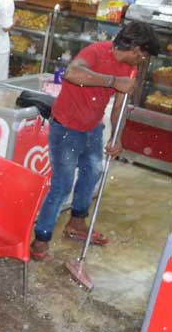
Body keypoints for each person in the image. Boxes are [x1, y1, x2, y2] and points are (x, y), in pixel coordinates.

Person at [30, 22, 158, 261]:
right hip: (66, 127)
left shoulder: (129, 69)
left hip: (92, 128)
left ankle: (76, 223)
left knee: (93, 172)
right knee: (63, 185)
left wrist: (117, 137)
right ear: (136, 49)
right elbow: (72, 73)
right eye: (143, 55)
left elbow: (119, 107)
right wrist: (111, 81)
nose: (142, 60)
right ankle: (41, 240)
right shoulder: (96, 52)